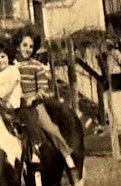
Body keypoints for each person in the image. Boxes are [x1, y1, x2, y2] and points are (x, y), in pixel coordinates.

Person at [12, 28, 76, 172]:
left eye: (30, 46)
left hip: (33, 103)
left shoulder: (37, 66)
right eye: (24, 45)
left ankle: (66, 154)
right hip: (16, 104)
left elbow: (42, 88)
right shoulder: (12, 66)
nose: (27, 49)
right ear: (18, 46)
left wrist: (33, 98)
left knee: (49, 127)